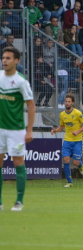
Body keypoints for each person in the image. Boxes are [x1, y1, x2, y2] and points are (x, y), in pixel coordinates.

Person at [0, 47, 35, 212]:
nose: (4, 60)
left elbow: (31, 105)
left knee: (18, 163)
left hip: (16, 130)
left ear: (16, 61)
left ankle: (19, 201)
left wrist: (29, 130)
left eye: (8, 58)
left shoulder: (21, 81)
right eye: (3, 58)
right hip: (0, 128)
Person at [51, 94, 83, 186]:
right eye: (66, 102)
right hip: (67, 140)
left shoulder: (77, 113)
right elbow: (61, 127)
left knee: (75, 163)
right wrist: (55, 130)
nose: (67, 103)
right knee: (66, 160)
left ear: (73, 103)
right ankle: (69, 182)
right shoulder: (62, 114)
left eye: (69, 102)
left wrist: (77, 132)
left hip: (77, 141)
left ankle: (80, 165)